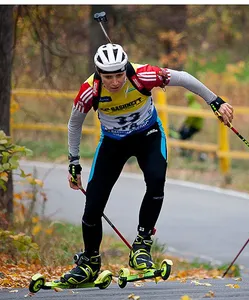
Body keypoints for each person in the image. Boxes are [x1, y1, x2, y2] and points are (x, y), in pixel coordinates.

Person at [63, 43, 234, 284]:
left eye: (119, 75)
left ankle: (142, 246)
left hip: (148, 136)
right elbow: (74, 124)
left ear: (126, 68)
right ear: (98, 73)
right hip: (113, 143)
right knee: (93, 205)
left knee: (156, 181)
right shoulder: (89, 91)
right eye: (107, 76)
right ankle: (90, 261)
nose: (114, 81)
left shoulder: (143, 74)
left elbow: (183, 78)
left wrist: (215, 100)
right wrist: (74, 162)